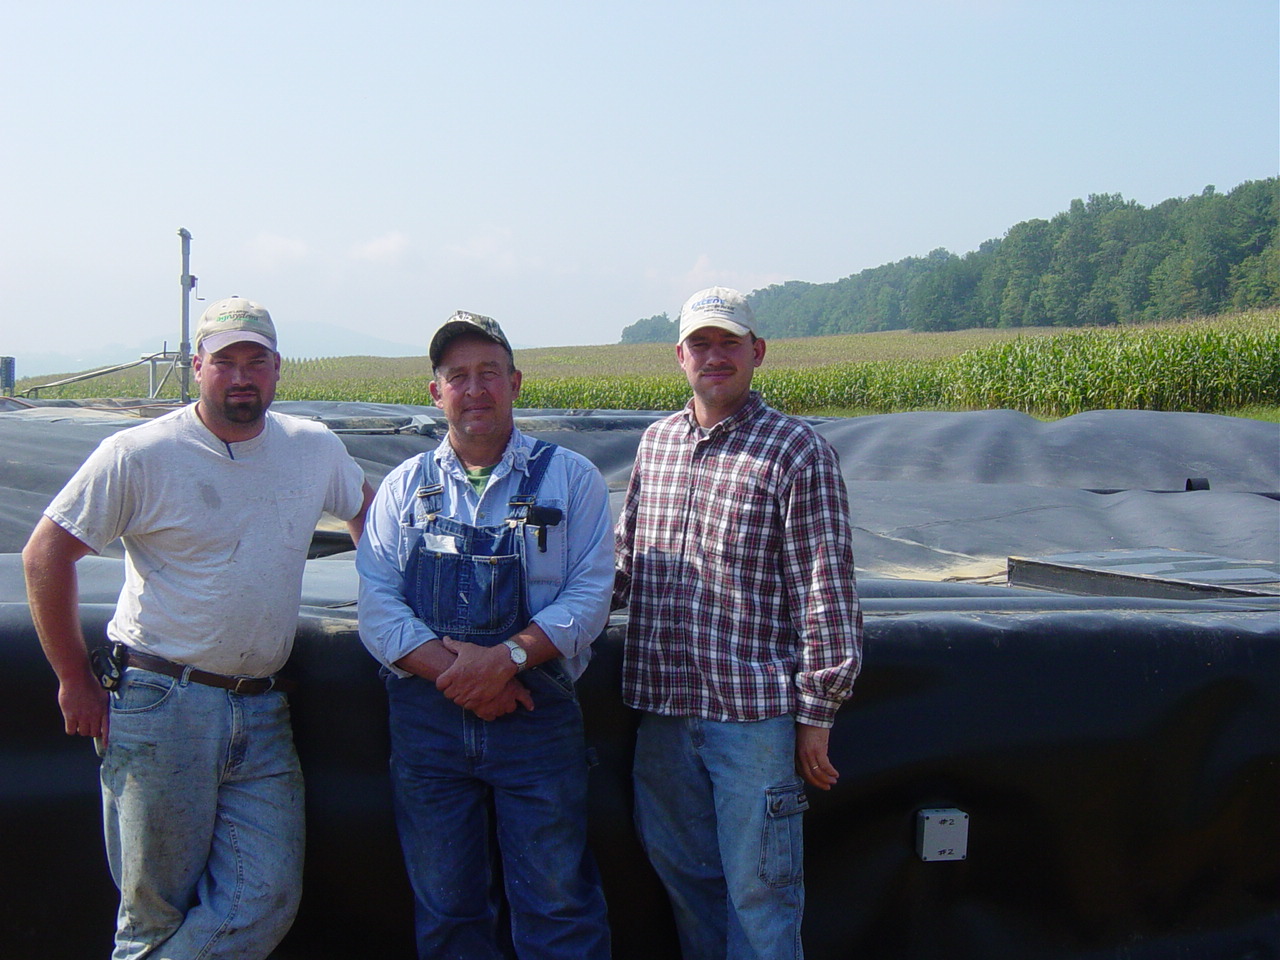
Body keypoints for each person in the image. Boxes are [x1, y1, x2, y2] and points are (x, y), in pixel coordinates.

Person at [22, 296, 373, 960]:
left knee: (263, 899)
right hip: (161, 703)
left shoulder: (313, 448)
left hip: (263, 709)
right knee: (153, 913)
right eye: (225, 362)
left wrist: (394, 595)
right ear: (198, 367)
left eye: (256, 362)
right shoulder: (140, 453)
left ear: (278, 370)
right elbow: (46, 555)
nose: (241, 376)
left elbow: (369, 519)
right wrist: (73, 678)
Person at [613, 286, 863, 960]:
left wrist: (818, 712)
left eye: (729, 343)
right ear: (679, 356)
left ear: (757, 352)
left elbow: (824, 589)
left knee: (761, 897)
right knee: (687, 884)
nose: (714, 356)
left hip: (750, 720)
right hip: (663, 714)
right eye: (701, 343)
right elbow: (623, 562)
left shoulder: (796, 452)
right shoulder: (656, 445)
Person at [356, 311, 613, 959]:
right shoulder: (404, 488)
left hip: (536, 721)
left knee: (557, 904)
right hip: (429, 732)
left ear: (516, 383)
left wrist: (509, 658)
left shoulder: (571, 479)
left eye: (489, 374)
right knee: (448, 908)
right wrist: (467, 676)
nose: (475, 389)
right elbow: (378, 609)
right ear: (435, 392)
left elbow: (590, 595)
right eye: (458, 376)